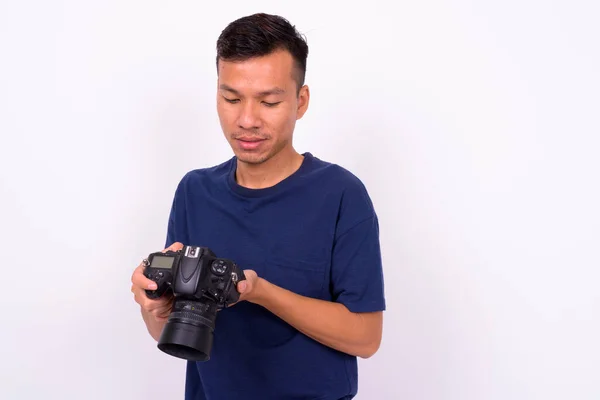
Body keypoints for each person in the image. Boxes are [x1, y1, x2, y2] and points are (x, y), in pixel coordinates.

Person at [131, 13, 386, 400]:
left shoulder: (340, 194)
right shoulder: (194, 191)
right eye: (231, 98)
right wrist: (153, 305)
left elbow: (367, 338)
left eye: (268, 101)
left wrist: (261, 291)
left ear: (300, 102)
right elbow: (168, 333)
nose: (246, 120)